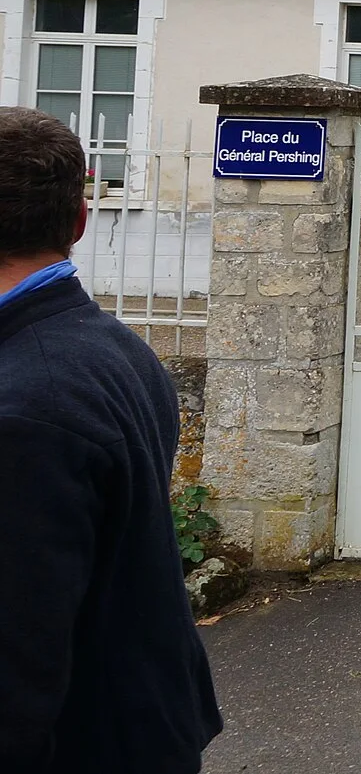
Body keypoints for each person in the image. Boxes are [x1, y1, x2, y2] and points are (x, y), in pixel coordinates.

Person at [0, 106, 221, 770]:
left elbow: (16, 661)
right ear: (79, 220)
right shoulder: (122, 349)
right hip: (148, 725)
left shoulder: (23, 406)